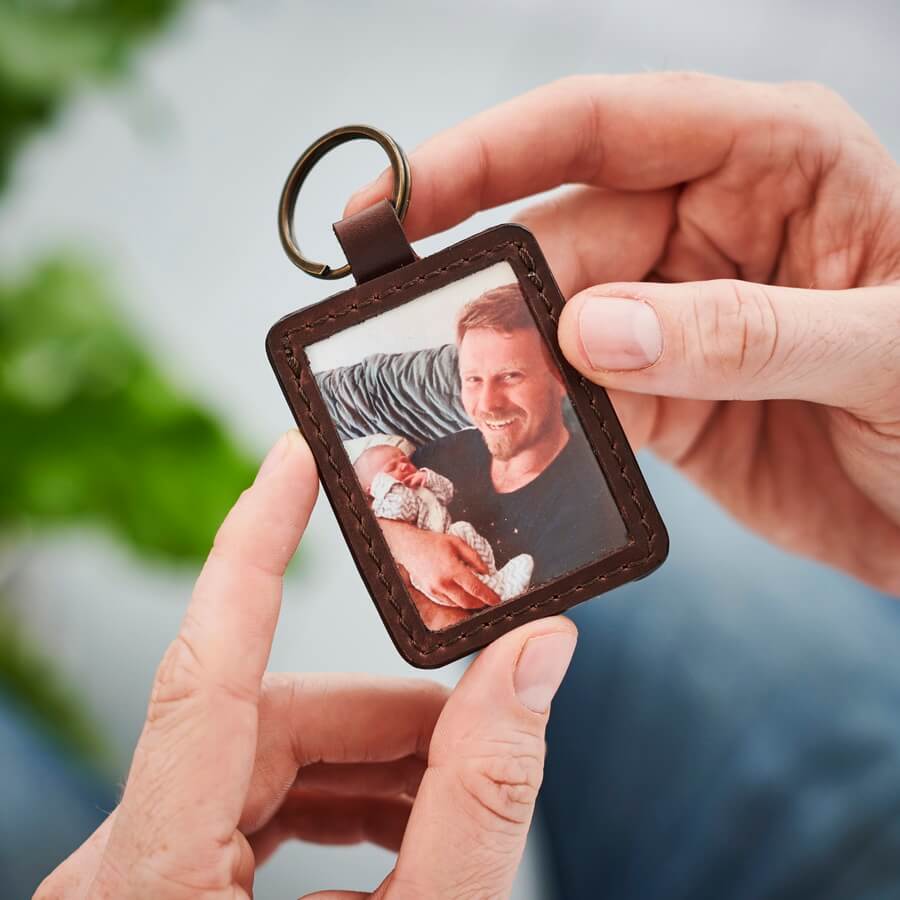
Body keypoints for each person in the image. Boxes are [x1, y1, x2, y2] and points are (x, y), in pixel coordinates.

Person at [44, 73, 900, 898]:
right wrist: (393, 510)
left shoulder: (597, 508)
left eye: (512, 381)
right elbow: (339, 399)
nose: (486, 405)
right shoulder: (453, 413)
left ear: (565, 373)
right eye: (470, 381)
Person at [37, 430, 579, 899]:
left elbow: (443, 488)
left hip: (451, 535)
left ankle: (497, 575)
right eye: (385, 466)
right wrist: (398, 501)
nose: (398, 467)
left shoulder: (418, 478)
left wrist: (422, 483)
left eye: (397, 459)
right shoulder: (386, 497)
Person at [353, 444, 535, 606]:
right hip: (431, 570)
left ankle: (494, 576)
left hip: (450, 534)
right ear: (374, 488)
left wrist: (427, 478)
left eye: (404, 460)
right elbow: (403, 510)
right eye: (392, 467)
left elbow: (447, 493)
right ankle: (499, 592)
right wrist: (390, 487)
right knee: (462, 574)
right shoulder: (385, 505)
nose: (403, 465)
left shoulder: (420, 485)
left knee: (462, 528)